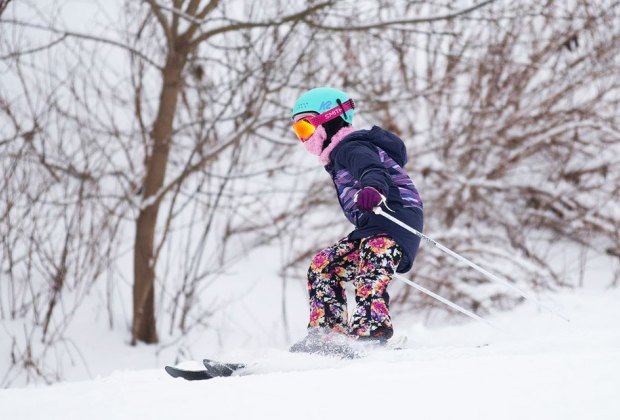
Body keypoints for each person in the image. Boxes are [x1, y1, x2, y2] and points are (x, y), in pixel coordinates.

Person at [289, 87, 424, 353]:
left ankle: (371, 333)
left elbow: (372, 170)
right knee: (324, 265)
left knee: (372, 261)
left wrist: (373, 189)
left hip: (396, 218)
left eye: (305, 128)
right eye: (298, 132)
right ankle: (327, 336)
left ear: (328, 119)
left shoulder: (352, 147)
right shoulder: (338, 154)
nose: (303, 139)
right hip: (373, 226)